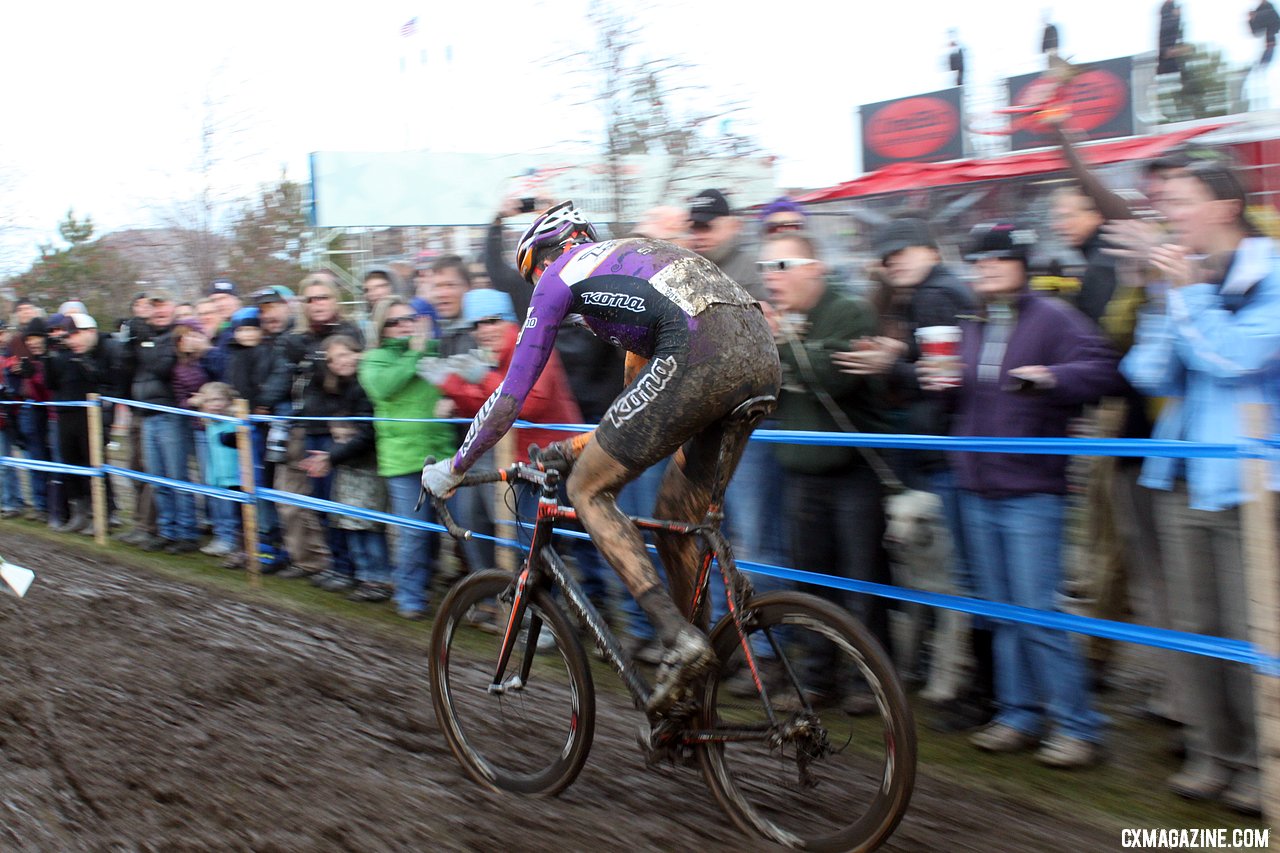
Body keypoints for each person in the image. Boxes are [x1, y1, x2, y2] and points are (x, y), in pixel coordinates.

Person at [421, 201, 781, 714]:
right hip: (760, 354)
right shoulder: (640, 265)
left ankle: (676, 638)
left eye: (532, 273)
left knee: (587, 490)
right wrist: (571, 448)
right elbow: (637, 416)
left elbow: (508, 398)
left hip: (701, 353)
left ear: (544, 258)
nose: (538, 286)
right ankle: (694, 678)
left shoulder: (559, 276)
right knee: (675, 521)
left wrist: (454, 469)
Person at [932, 222, 1121, 769]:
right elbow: (968, 397)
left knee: (1037, 609)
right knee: (1001, 610)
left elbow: (1105, 370)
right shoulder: (974, 320)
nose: (986, 267)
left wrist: (1054, 377)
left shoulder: (1054, 317)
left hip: (1031, 488)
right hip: (977, 483)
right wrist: (940, 383)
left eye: (998, 259)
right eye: (978, 260)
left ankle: (1078, 726)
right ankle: (1018, 714)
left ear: (1023, 264)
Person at [1120, 162, 1277, 816]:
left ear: (1227, 204)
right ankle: (1212, 754)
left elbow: (1237, 360)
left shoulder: (1269, 276)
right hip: (1180, 476)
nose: (1170, 215)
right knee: (1193, 627)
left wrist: (1188, 299)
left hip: (1251, 484)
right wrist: (1166, 297)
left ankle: (1259, 763)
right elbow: (1147, 372)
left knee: (1251, 631)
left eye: (1181, 202)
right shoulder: (1187, 280)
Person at [762, 232, 895, 706]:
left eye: (782, 265)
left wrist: (787, 348)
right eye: (766, 267)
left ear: (815, 267)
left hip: (852, 470)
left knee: (861, 580)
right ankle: (819, 678)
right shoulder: (784, 320)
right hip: (801, 470)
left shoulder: (849, 309)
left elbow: (835, 374)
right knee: (810, 581)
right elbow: (759, 374)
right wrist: (788, 349)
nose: (771, 278)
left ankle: (870, 681)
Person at [360, 297, 457, 619]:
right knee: (413, 532)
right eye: (395, 321)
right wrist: (416, 350)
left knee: (451, 530)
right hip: (403, 461)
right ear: (382, 328)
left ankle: (440, 589)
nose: (404, 325)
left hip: (443, 455)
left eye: (409, 318)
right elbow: (383, 388)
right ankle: (409, 596)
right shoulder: (374, 359)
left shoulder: (433, 349)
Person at [300, 336, 392, 602]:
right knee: (349, 521)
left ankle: (379, 578)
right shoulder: (340, 387)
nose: (340, 362)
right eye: (332, 359)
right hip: (348, 463)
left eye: (344, 354)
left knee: (368, 525)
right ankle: (364, 575)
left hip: (367, 464)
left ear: (358, 352)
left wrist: (332, 455)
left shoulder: (367, 384)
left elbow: (365, 433)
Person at [189, 382, 242, 558]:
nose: (216, 404)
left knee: (230, 512)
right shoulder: (209, 422)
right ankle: (221, 537)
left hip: (233, 476)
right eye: (211, 400)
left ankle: (230, 540)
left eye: (219, 399)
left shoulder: (234, 420)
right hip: (216, 475)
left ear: (228, 400)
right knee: (217, 508)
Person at [687, 188, 764, 300]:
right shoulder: (687, 266)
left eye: (706, 227)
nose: (699, 236)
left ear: (732, 226)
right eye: (694, 228)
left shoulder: (752, 271)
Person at [1250, 0, 1280, 67]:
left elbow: (1275, 18)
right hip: (1268, 28)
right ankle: (1263, 62)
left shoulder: (1270, 7)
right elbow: (1255, 31)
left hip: (1272, 28)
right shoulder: (1259, 9)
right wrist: (1251, 20)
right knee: (1270, 45)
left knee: (1270, 44)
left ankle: (1264, 62)